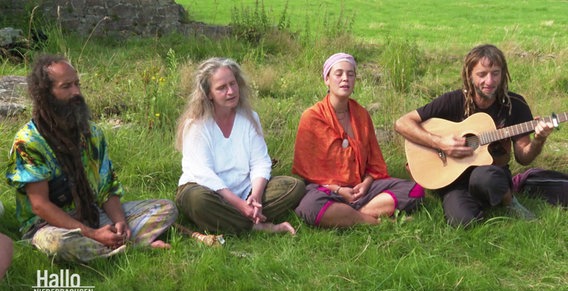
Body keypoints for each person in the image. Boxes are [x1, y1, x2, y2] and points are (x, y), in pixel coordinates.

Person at [5, 54, 178, 262]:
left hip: (93, 215)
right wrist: (93, 233)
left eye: (77, 84)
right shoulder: (29, 141)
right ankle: (125, 246)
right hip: (50, 226)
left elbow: (106, 187)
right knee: (58, 244)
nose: (76, 92)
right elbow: (40, 205)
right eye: (66, 86)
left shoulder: (92, 133)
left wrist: (120, 221)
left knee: (165, 208)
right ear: (46, 94)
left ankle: (115, 242)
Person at [394, 44, 555, 227]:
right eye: (482, 74)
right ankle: (480, 202)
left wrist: (539, 140)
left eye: (495, 73)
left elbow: (523, 157)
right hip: (453, 179)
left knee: (485, 176)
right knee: (463, 221)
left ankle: (509, 202)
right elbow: (402, 123)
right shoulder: (454, 100)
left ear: (503, 73)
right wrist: (440, 143)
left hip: (490, 174)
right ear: (469, 75)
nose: (490, 81)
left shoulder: (514, 105)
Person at [174, 57, 305, 235]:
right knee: (198, 201)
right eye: (221, 88)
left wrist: (256, 196)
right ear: (209, 93)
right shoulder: (196, 125)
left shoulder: (249, 118)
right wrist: (239, 205)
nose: (230, 91)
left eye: (233, 84)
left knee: (294, 186)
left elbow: (260, 162)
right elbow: (204, 174)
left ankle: (230, 219)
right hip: (206, 191)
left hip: (244, 190)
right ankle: (256, 226)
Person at [292, 52, 424, 228]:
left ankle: (348, 215)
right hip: (326, 191)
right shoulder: (311, 117)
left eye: (350, 74)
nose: (345, 78)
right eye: (338, 74)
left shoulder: (361, 115)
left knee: (415, 190)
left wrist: (365, 184)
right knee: (309, 206)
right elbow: (308, 172)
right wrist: (339, 190)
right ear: (327, 79)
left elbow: (374, 163)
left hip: (361, 188)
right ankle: (375, 221)